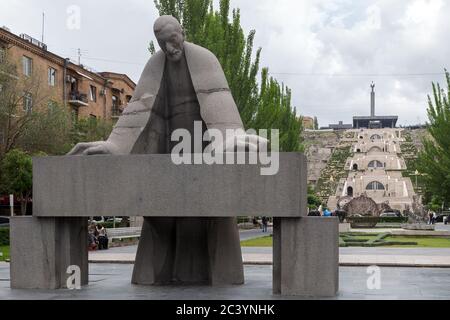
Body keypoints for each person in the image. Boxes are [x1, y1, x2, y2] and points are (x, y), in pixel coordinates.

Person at [68, 16, 267, 286]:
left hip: (205, 146)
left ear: (181, 33)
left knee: (213, 212)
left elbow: (217, 95)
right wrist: (116, 144)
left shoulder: (204, 58)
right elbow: (139, 106)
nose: (170, 48)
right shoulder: (155, 64)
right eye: (163, 43)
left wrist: (229, 135)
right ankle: (158, 273)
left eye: (173, 41)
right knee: (160, 214)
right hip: (169, 149)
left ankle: (219, 275)